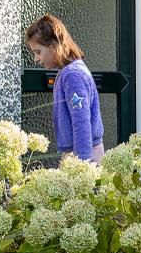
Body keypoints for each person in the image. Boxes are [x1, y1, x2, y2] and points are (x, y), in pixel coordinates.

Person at [25, 14, 105, 163]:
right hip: (79, 153)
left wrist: (82, 165)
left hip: (84, 155)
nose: (36, 59)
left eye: (38, 52)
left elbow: (81, 122)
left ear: (53, 47)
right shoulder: (68, 71)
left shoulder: (73, 75)